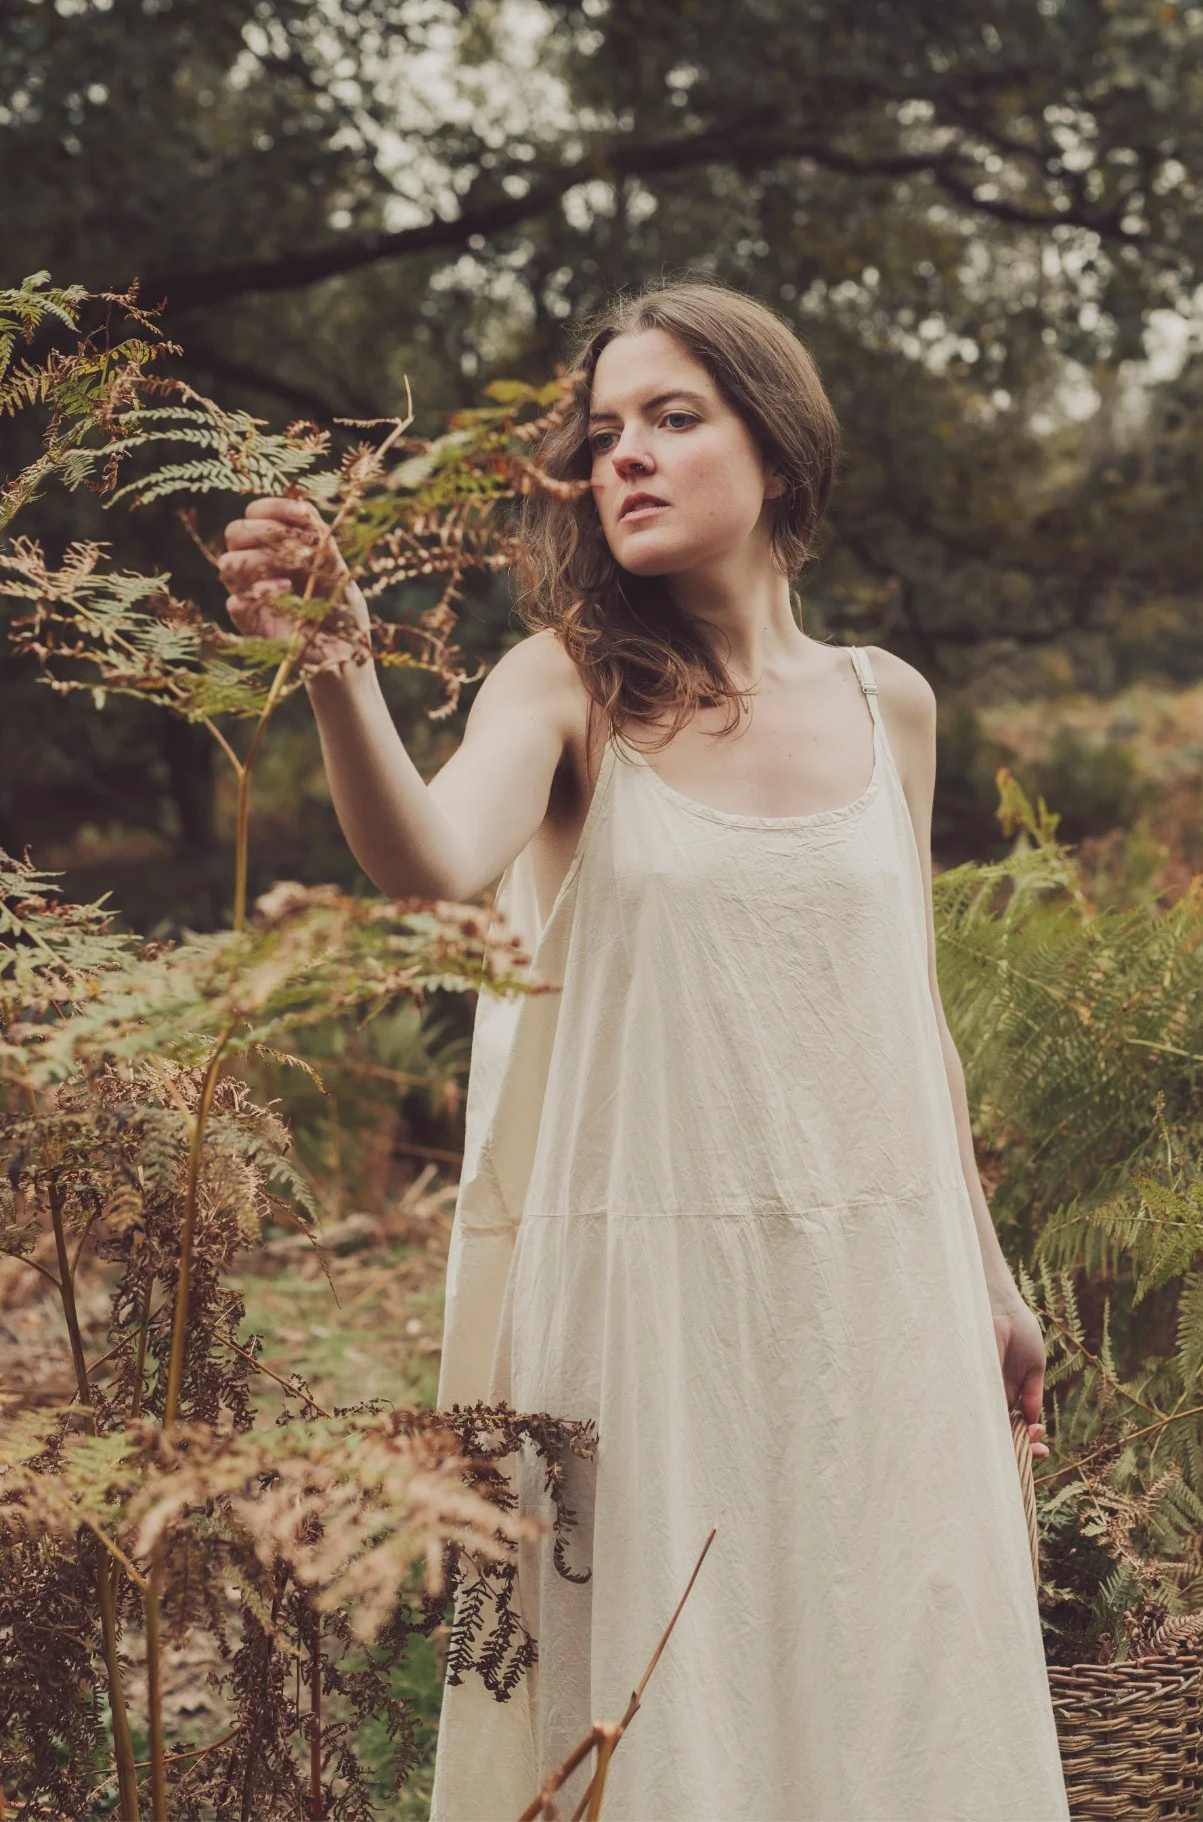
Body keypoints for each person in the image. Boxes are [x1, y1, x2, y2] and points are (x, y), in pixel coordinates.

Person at [218, 281, 1070, 1822]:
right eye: (604, 431)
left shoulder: (892, 706)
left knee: (895, 1675)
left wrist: (993, 1285)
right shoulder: (565, 685)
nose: (627, 455)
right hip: (646, 1310)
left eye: (675, 418)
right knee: (665, 1703)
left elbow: (909, 1014)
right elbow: (427, 863)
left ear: (780, 450)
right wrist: (341, 667)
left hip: (878, 1289)